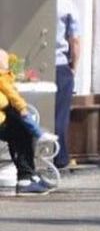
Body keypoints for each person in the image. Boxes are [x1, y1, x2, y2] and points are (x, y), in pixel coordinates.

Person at [0, 48, 53, 195]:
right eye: (5, 65)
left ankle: (30, 175)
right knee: (21, 133)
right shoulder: (2, 78)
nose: (7, 68)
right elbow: (9, 96)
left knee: (22, 128)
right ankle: (25, 178)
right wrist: (21, 108)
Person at [53, 0, 81, 172]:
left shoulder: (28, 0)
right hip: (60, 65)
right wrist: (74, 67)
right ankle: (60, 157)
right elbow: (75, 39)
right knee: (60, 115)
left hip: (32, 63)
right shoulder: (66, 5)